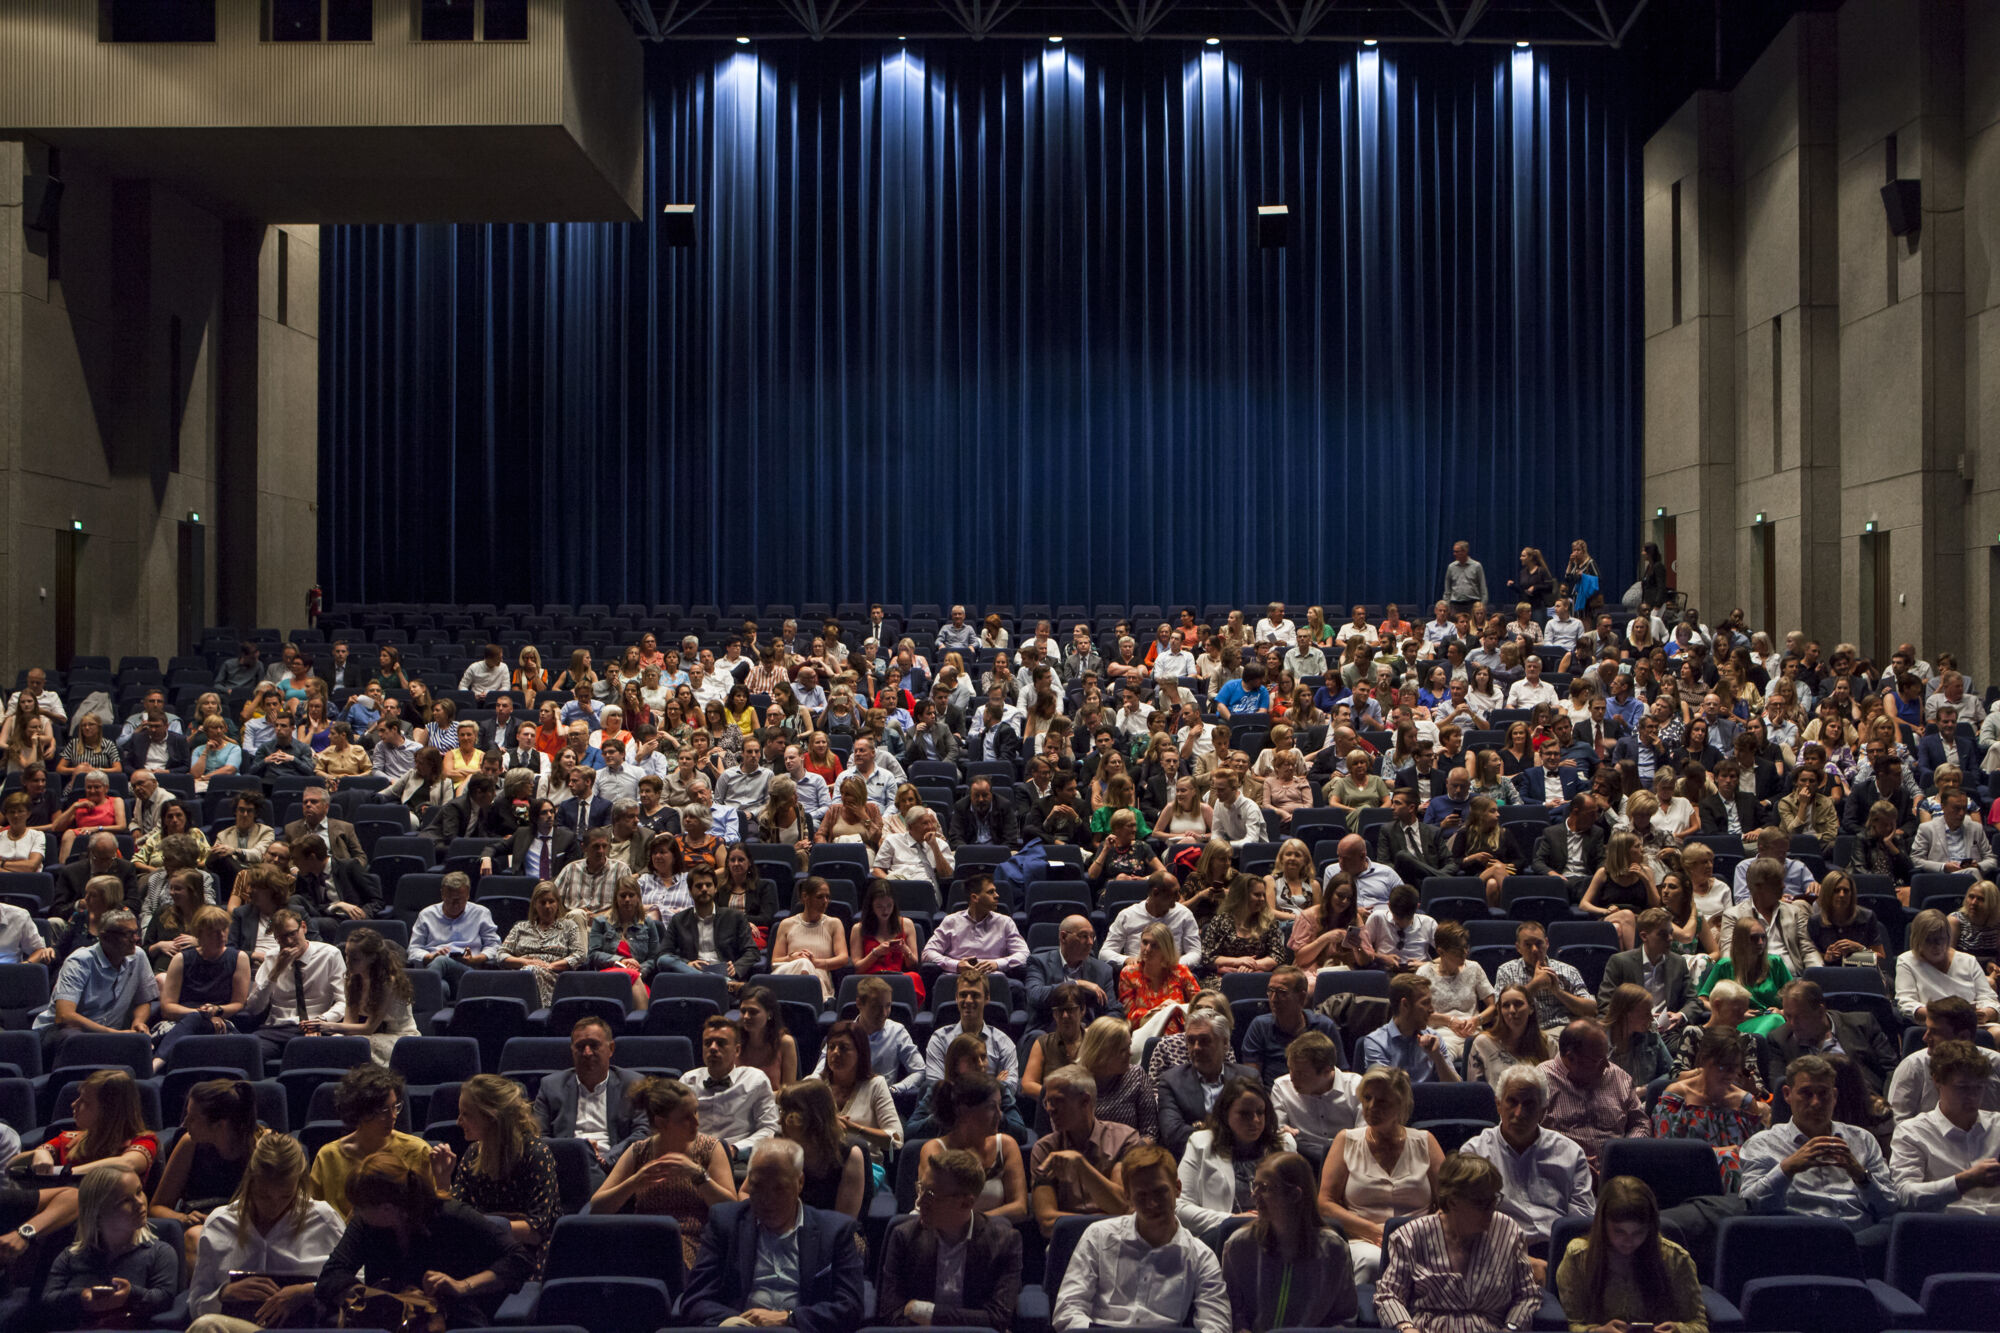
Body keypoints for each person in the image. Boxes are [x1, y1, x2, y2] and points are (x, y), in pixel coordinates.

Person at [315, 1152, 531, 1328]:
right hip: (392, 1321)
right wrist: (389, 1298)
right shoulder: (365, 1225)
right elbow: (331, 1276)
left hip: (453, 1319)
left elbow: (519, 1258)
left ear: (387, 1209)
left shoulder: (450, 1215)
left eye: (360, 1207)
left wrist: (463, 1286)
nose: (356, 1213)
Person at [680, 1137, 866, 1333]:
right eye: (757, 1187)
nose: (767, 1200)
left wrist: (790, 1318)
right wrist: (732, 1322)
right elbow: (695, 1300)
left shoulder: (834, 1231)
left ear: (799, 1183)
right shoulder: (726, 1223)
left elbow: (851, 1307)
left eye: (779, 1188)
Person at [1738, 1054, 1898, 1272]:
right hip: (1798, 1250)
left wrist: (1861, 1176)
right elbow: (1749, 1206)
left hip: (1859, 1249)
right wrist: (1787, 1169)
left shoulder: (1862, 1140)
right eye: (1806, 1093)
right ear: (1787, 1094)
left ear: (1834, 1096)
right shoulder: (1763, 1144)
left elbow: (1889, 1206)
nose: (1816, 1102)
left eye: (1823, 1094)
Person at [1051, 1141, 1229, 1333]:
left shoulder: (1201, 1256)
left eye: (1160, 1192)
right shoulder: (1098, 1236)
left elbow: (1217, 1325)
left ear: (1177, 1188)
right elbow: (1067, 1310)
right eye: (1141, 1196)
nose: (1152, 1203)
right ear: (1127, 1196)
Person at [185, 1133, 344, 1333]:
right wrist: (224, 1294)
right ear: (251, 1181)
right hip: (240, 1327)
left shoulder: (323, 1219)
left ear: (299, 1184)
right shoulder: (220, 1223)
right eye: (264, 1195)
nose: (274, 1205)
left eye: (286, 1195)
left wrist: (308, 1291)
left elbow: (357, 1283)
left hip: (306, 1328)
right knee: (205, 1326)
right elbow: (196, 1305)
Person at [1374, 1152, 1542, 1333]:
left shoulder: (1508, 1232)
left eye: (1494, 1199)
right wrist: (1407, 1329)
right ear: (1453, 1201)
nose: (1491, 1209)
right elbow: (1388, 1295)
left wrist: (1510, 1328)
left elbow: (1527, 1296)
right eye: (1481, 1203)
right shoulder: (1411, 1236)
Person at [589, 1075, 738, 1269]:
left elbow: (730, 1210)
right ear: (661, 1123)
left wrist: (699, 1175)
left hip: (691, 1243)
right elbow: (596, 1208)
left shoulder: (710, 1148)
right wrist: (634, 1183)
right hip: (642, 1239)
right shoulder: (639, 1151)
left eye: (696, 1112)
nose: (696, 1123)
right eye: (686, 1117)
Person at [1465, 1064, 1595, 1275]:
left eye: (1529, 1104)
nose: (1519, 1113)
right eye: (1512, 1102)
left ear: (1543, 1111)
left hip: (1563, 1256)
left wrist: (1561, 1264)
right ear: (1498, 1105)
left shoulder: (1569, 1152)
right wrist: (1523, 1261)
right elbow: (1469, 1223)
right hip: (1500, 1258)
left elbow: (1582, 1220)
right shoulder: (1475, 1153)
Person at [877, 1146, 1025, 1331]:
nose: (920, 1202)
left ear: (966, 1202)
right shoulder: (904, 1236)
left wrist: (924, 1311)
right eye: (920, 1189)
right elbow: (890, 1314)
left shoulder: (1005, 1242)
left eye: (930, 1195)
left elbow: (998, 1319)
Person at [1317, 1065, 1444, 1281]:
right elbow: (1325, 1203)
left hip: (1421, 1237)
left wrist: (1425, 1232)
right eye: (1367, 1098)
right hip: (1364, 1239)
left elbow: (1449, 1200)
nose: (1371, 1106)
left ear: (1401, 1105)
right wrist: (1374, 1232)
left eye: (1382, 1101)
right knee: (1372, 1262)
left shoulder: (1425, 1141)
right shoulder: (1346, 1140)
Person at [429, 1074, 562, 1272]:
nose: (458, 1122)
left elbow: (534, 1232)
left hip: (528, 1254)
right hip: (484, 1248)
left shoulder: (536, 1154)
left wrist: (476, 1224)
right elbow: (455, 1219)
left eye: (466, 1114)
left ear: (491, 1118)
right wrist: (442, 1181)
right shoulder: (474, 1152)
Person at [1555, 1174, 1709, 1333]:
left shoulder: (1675, 1258)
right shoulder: (1579, 1257)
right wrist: (1597, 1331)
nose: (1628, 1241)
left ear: (1650, 1228)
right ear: (1603, 1224)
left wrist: (1678, 1330)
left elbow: (1699, 1325)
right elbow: (1568, 1325)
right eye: (1619, 1231)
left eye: (1638, 1232)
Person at [37, 1168, 179, 1330]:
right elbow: (47, 1302)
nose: (140, 1202)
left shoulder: (160, 1252)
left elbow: (166, 1299)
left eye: (139, 1192)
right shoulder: (71, 1256)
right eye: (125, 1200)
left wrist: (130, 1295)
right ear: (97, 1213)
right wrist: (81, 1297)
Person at [150, 1079, 261, 1266]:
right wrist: (183, 1218)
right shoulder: (189, 1143)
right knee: (196, 1237)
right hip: (199, 1228)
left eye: (192, 1118)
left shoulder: (260, 1148)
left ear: (220, 1125)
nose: (185, 1123)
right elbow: (156, 1208)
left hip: (245, 1228)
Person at [1175, 1074, 1292, 1243]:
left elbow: (1302, 1203)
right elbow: (1179, 1207)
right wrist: (1234, 1220)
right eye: (1245, 1114)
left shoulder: (1285, 1145)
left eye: (1260, 1112)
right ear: (1225, 1114)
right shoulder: (1200, 1143)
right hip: (1221, 1239)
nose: (1256, 1120)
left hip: (1278, 1239)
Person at [1889, 1038, 2000, 1215]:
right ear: (1937, 1081)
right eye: (1962, 1088)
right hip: (1946, 1230)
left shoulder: (1998, 1125)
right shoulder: (1912, 1132)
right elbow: (1904, 1196)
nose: (1972, 1096)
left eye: (1979, 1088)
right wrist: (1964, 1181)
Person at [308, 1064, 434, 1219]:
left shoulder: (417, 1150)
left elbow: (430, 1211)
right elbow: (314, 1213)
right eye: (383, 1111)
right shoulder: (328, 1156)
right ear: (360, 1112)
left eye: (395, 1107)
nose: (393, 1116)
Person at [1651, 1026, 1770, 1189]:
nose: (1729, 1075)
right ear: (1705, 1060)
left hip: (1737, 1189)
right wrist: (1724, 1152)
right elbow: (1668, 1154)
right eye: (1723, 1067)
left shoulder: (1744, 1102)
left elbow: (1756, 1157)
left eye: (1734, 1068)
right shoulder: (1678, 1097)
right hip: (1688, 1182)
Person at [35, 907, 155, 1056]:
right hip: (59, 1033)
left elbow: (144, 1000)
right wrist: (113, 1034)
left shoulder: (138, 956)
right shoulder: (79, 961)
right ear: (105, 937)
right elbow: (64, 1016)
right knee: (75, 1038)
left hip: (108, 1033)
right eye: (127, 934)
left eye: (136, 932)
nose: (135, 939)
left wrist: (138, 1022)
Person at [1539, 1020, 1650, 1174]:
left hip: (1619, 1172)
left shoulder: (1618, 1077)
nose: (1607, 1065)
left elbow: (1640, 1123)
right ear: (1571, 1058)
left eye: (1607, 1055)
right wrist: (1567, 1158)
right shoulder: (1539, 1082)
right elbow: (1525, 1137)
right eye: (1598, 1060)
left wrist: (1623, 1153)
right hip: (1561, 1174)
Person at [921, 1067, 1031, 1220]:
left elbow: (1019, 1208)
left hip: (990, 1236)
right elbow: (936, 1209)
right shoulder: (935, 1150)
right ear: (964, 1110)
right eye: (991, 1107)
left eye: (1000, 1106)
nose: (1000, 1114)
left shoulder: (1006, 1145)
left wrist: (974, 1225)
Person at [1762, 978, 1899, 1099]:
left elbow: (1892, 1071)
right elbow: (1780, 1087)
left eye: (1799, 1017)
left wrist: (1887, 1103)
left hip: (1866, 1102)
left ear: (1820, 1011)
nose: (1792, 1024)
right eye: (1788, 1016)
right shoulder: (1780, 1039)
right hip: (1814, 1109)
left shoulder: (1861, 1024)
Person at [240, 908, 346, 1058]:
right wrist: (276, 971)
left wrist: (321, 1021)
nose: (288, 942)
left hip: (315, 1025)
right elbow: (254, 1008)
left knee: (311, 1056)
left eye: (292, 934)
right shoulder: (272, 958)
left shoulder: (330, 954)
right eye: (281, 938)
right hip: (276, 1029)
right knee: (247, 1053)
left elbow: (344, 1001)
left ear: (303, 927)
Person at [681, 1016, 780, 1166]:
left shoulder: (755, 1080)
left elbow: (770, 1128)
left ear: (737, 1050)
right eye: (707, 1043)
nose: (713, 1048)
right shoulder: (688, 1080)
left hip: (738, 1161)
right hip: (693, 1159)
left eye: (721, 1043)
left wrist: (734, 1149)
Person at [1158, 1006, 1255, 1153]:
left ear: (1225, 1044)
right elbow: (1173, 1134)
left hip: (1241, 1156)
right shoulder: (1171, 1081)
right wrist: (1231, 1131)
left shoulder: (1249, 1077)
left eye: (1204, 1041)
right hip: (1194, 1159)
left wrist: (1202, 1127)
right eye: (1191, 1041)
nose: (1196, 1048)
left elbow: (1258, 1126)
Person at [1886, 996, 2000, 1122]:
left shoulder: (1996, 1063)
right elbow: (1897, 1121)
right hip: (1926, 1139)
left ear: (1963, 1036)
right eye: (1927, 1029)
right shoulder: (1913, 1066)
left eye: (1934, 1032)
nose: (1925, 1038)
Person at [1598, 907, 1702, 1032]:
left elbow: (1693, 1001)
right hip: (1631, 1032)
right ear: (1644, 936)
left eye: (1671, 932)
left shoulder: (1678, 962)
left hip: (1668, 1032)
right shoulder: (1620, 962)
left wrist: (1681, 1015)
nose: (1670, 938)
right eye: (1663, 934)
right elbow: (1606, 1004)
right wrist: (1635, 1020)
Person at [1897, 907, 2000, 1032]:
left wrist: (1986, 1014)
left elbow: (1988, 998)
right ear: (1917, 940)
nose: (1937, 946)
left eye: (1941, 939)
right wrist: (1946, 1016)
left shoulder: (1968, 960)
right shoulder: (1907, 961)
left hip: (1972, 1026)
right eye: (1929, 940)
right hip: (1932, 1026)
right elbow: (1906, 1004)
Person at [1698, 911, 1793, 1037]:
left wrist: (1782, 1011)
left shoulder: (1775, 963)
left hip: (1774, 1019)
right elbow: (1702, 1000)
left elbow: (1793, 996)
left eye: (1763, 937)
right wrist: (1733, 1014)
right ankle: (1752, 1043)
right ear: (1740, 940)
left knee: (1776, 1019)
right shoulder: (1725, 965)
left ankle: (1754, 1043)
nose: (1760, 942)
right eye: (1754, 938)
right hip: (1738, 1022)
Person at [405, 871, 501, 994]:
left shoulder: (481, 913)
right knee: (442, 988)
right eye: (450, 899)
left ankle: (416, 991)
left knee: (441, 961)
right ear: (442, 894)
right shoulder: (427, 914)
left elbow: (495, 946)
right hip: (437, 971)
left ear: (467, 895)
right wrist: (430, 957)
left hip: (467, 972)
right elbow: (413, 949)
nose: (454, 905)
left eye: (459, 900)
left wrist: (476, 959)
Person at [662, 866, 762, 981]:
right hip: (691, 976)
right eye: (699, 886)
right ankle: (715, 981)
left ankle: (717, 981)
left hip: (723, 973)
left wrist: (736, 968)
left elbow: (752, 952)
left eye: (708, 885)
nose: (704, 889)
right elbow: (664, 954)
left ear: (715, 889)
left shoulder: (735, 917)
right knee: (663, 960)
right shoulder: (678, 920)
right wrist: (687, 964)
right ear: (690, 890)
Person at [1360, 973, 1463, 1084]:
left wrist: (1438, 1057)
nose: (1432, 1010)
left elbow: (1455, 1089)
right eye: (1425, 1003)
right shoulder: (1376, 1043)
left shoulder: (1434, 1038)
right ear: (1405, 1005)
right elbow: (1384, 1092)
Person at [1494, 922, 1596, 1034]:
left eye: (1539, 943)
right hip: (1523, 1033)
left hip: (1562, 1032)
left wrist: (1558, 991)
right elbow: (1499, 1011)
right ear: (1518, 948)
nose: (1534, 949)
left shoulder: (1568, 970)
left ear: (1547, 943)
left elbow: (1591, 1010)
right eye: (1528, 945)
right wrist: (1535, 984)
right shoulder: (1506, 971)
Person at [922, 873, 1029, 979]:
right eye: (991, 892)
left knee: (1015, 988)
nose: (997, 895)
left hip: (993, 979)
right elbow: (928, 953)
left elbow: (1024, 954)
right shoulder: (951, 921)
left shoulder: (1005, 922)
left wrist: (997, 964)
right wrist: (956, 965)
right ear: (975, 897)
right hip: (958, 978)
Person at [1116, 921, 1202, 1038]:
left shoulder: (1181, 971)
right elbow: (1129, 1018)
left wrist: (1178, 1008)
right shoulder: (1129, 973)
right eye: (1145, 942)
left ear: (1166, 949)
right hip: (1144, 1037)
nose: (1147, 949)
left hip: (1180, 1037)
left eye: (1155, 945)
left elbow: (1200, 1007)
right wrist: (1160, 1010)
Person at [1469, 984, 1553, 1085]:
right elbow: (1475, 1092)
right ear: (1500, 1010)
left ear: (1531, 1008)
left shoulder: (1547, 1043)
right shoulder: (1483, 1043)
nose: (1512, 1010)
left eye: (1518, 1004)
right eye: (1506, 1006)